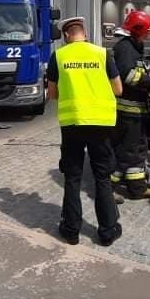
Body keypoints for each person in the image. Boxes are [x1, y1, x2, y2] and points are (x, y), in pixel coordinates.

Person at [47, 16, 124, 247]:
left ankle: (71, 230)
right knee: (102, 176)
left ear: (66, 36)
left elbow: (51, 94)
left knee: (72, 176)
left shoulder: (59, 56)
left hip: (72, 124)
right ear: (85, 33)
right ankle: (108, 230)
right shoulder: (102, 53)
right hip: (101, 123)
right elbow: (118, 89)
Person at [110, 10, 150, 200]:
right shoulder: (125, 48)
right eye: (147, 31)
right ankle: (108, 188)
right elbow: (128, 76)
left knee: (138, 149)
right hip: (127, 111)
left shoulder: (134, 46)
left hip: (135, 110)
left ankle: (137, 188)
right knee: (128, 151)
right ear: (138, 30)